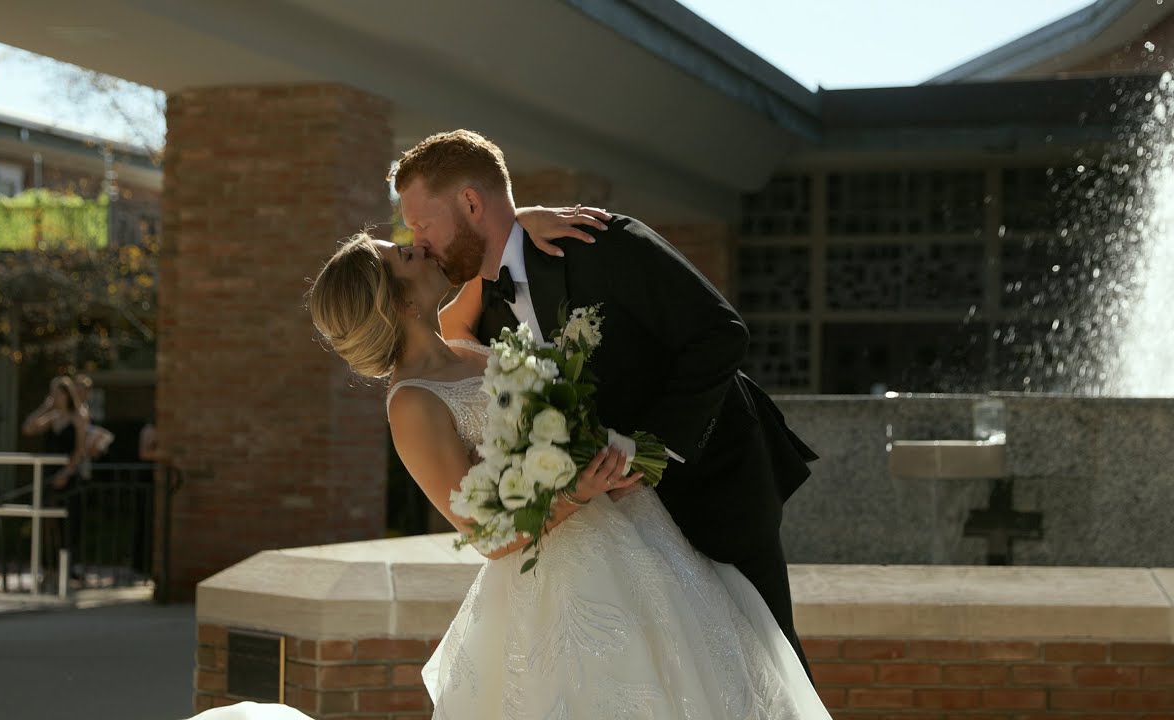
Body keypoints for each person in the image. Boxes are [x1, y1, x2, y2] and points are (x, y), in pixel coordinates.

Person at [301, 226, 829, 717]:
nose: (417, 245)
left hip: (641, 530)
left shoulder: (457, 335)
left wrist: (522, 218)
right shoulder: (412, 406)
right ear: (398, 301)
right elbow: (484, 533)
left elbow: (492, 250)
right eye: (403, 256)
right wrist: (575, 493)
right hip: (562, 578)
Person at [392, 129, 820, 680]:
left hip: (716, 483)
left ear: (471, 203)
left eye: (423, 224)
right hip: (617, 539)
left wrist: (650, 449)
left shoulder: (603, 242)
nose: (419, 242)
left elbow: (720, 334)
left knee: (771, 670)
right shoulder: (475, 313)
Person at [20, 375, 89, 587]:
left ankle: (68, 570)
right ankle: (48, 568)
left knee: (69, 525)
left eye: (59, 393)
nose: (55, 397)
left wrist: (66, 473)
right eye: (53, 393)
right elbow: (28, 428)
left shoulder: (79, 417)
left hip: (68, 477)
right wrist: (44, 408)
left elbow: (80, 450)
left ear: (68, 395)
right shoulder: (51, 418)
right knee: (48, 525)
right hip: (49, 476)